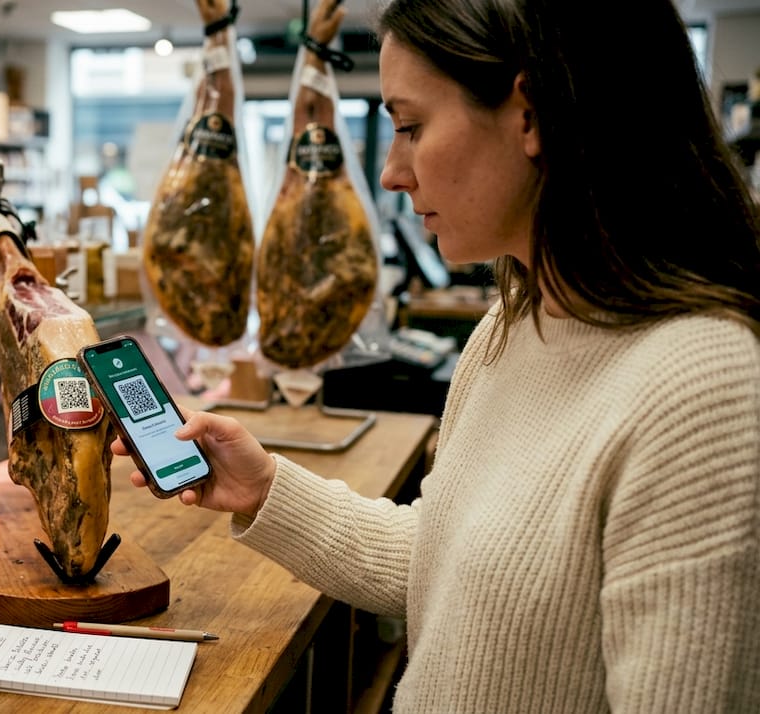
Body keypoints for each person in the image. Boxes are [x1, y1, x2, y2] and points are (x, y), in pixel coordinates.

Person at [117, 1, 760, 711]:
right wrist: (266, 488)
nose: (391, 173)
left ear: (530, 115)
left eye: (412, 127)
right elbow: (447, 558)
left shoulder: (707, 392)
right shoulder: (513, 326)